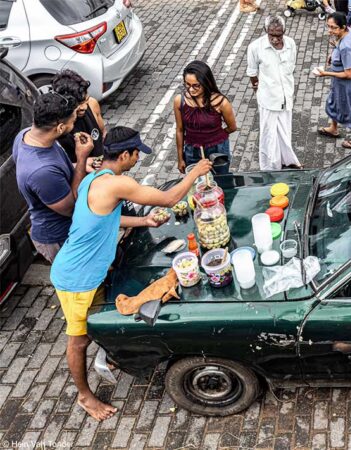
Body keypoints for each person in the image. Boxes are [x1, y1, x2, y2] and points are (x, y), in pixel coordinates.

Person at [50, 126, 213, 421]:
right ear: (124, 154)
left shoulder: (96, 179)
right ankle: (85, 396)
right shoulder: (117, 183)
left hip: (93, 270)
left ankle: (111, 355)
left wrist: (144, 221)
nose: (138, 159)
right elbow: (168, 198)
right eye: (136, 154)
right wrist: (195, 172)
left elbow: (105, 216)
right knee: (79, 340)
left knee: (100, 322)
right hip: (77, 278)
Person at [12, 93, 94, 263]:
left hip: (64, 227)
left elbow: (55, 166)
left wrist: (75, 166)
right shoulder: (42, 172)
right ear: (60, 128)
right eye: (72, 122)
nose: (75, 125)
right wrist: (81, 159)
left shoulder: (27, 134)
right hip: (59, 238)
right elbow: (72, 207)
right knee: (78, 282)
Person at [246, 15, 302, 170]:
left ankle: (287, 160)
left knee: (285, 132)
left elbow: (292, 67)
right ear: (266, 31)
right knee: (269, 135)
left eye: (279, 35)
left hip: (286, 97)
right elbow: (252, 73)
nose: (276, 40)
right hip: (268, 99)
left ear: (284, 32)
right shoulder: (255, 47)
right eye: (272, 35)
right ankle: (270, 166)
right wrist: (259, 90)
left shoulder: (291, 44)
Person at [174, 61, 237, 175]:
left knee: (221, 180)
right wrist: (180, 158)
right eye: (187, 84)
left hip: (218, 150)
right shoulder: (179, 101)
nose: (191, 89)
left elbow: (232, 127)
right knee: (197, 184)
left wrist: (214, 136)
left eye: (196, 85)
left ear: (206, 83)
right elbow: (179, 130)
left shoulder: (221, 102)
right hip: (192, 151)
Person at [317, 12, 351, 149]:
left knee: (350, 108)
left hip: (347, 83)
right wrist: (333, 52)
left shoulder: (346, 48)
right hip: (339, 82)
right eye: (328, 26)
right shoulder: (348, 32)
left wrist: (326, 73)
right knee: (334, 101)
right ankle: (333, 127)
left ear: (343, 27)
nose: (330, 30)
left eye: (333, 28)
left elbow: (349, 74)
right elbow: (339, 43)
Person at [53, 70, 106, 165]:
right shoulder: (56, 127)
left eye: (86, 100)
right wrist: (83, 164)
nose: (84, 107)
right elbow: (58, 166)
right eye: (79, 104)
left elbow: (103, 133)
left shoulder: (92, 104)